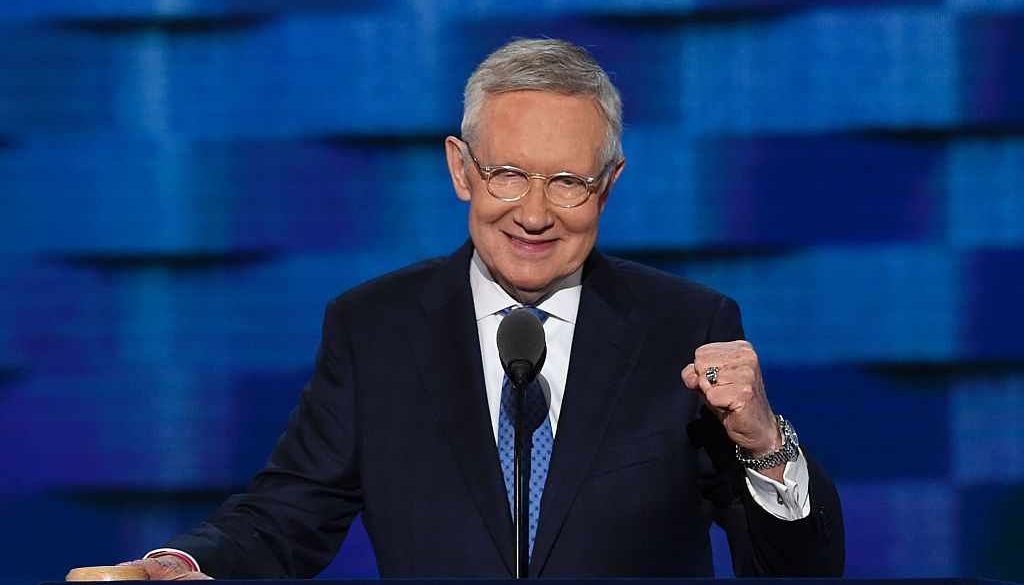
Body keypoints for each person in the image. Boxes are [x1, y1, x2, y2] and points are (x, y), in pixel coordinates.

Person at [126, 38, 844, 580]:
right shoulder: (372, 328)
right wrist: (186, 566)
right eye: (506, 174)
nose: (533, 214)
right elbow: (290, 513)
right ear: (460, 169)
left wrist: (764, 445)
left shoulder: (687, 328)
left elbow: (799, 571)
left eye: (567, 182)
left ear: (610, 184)